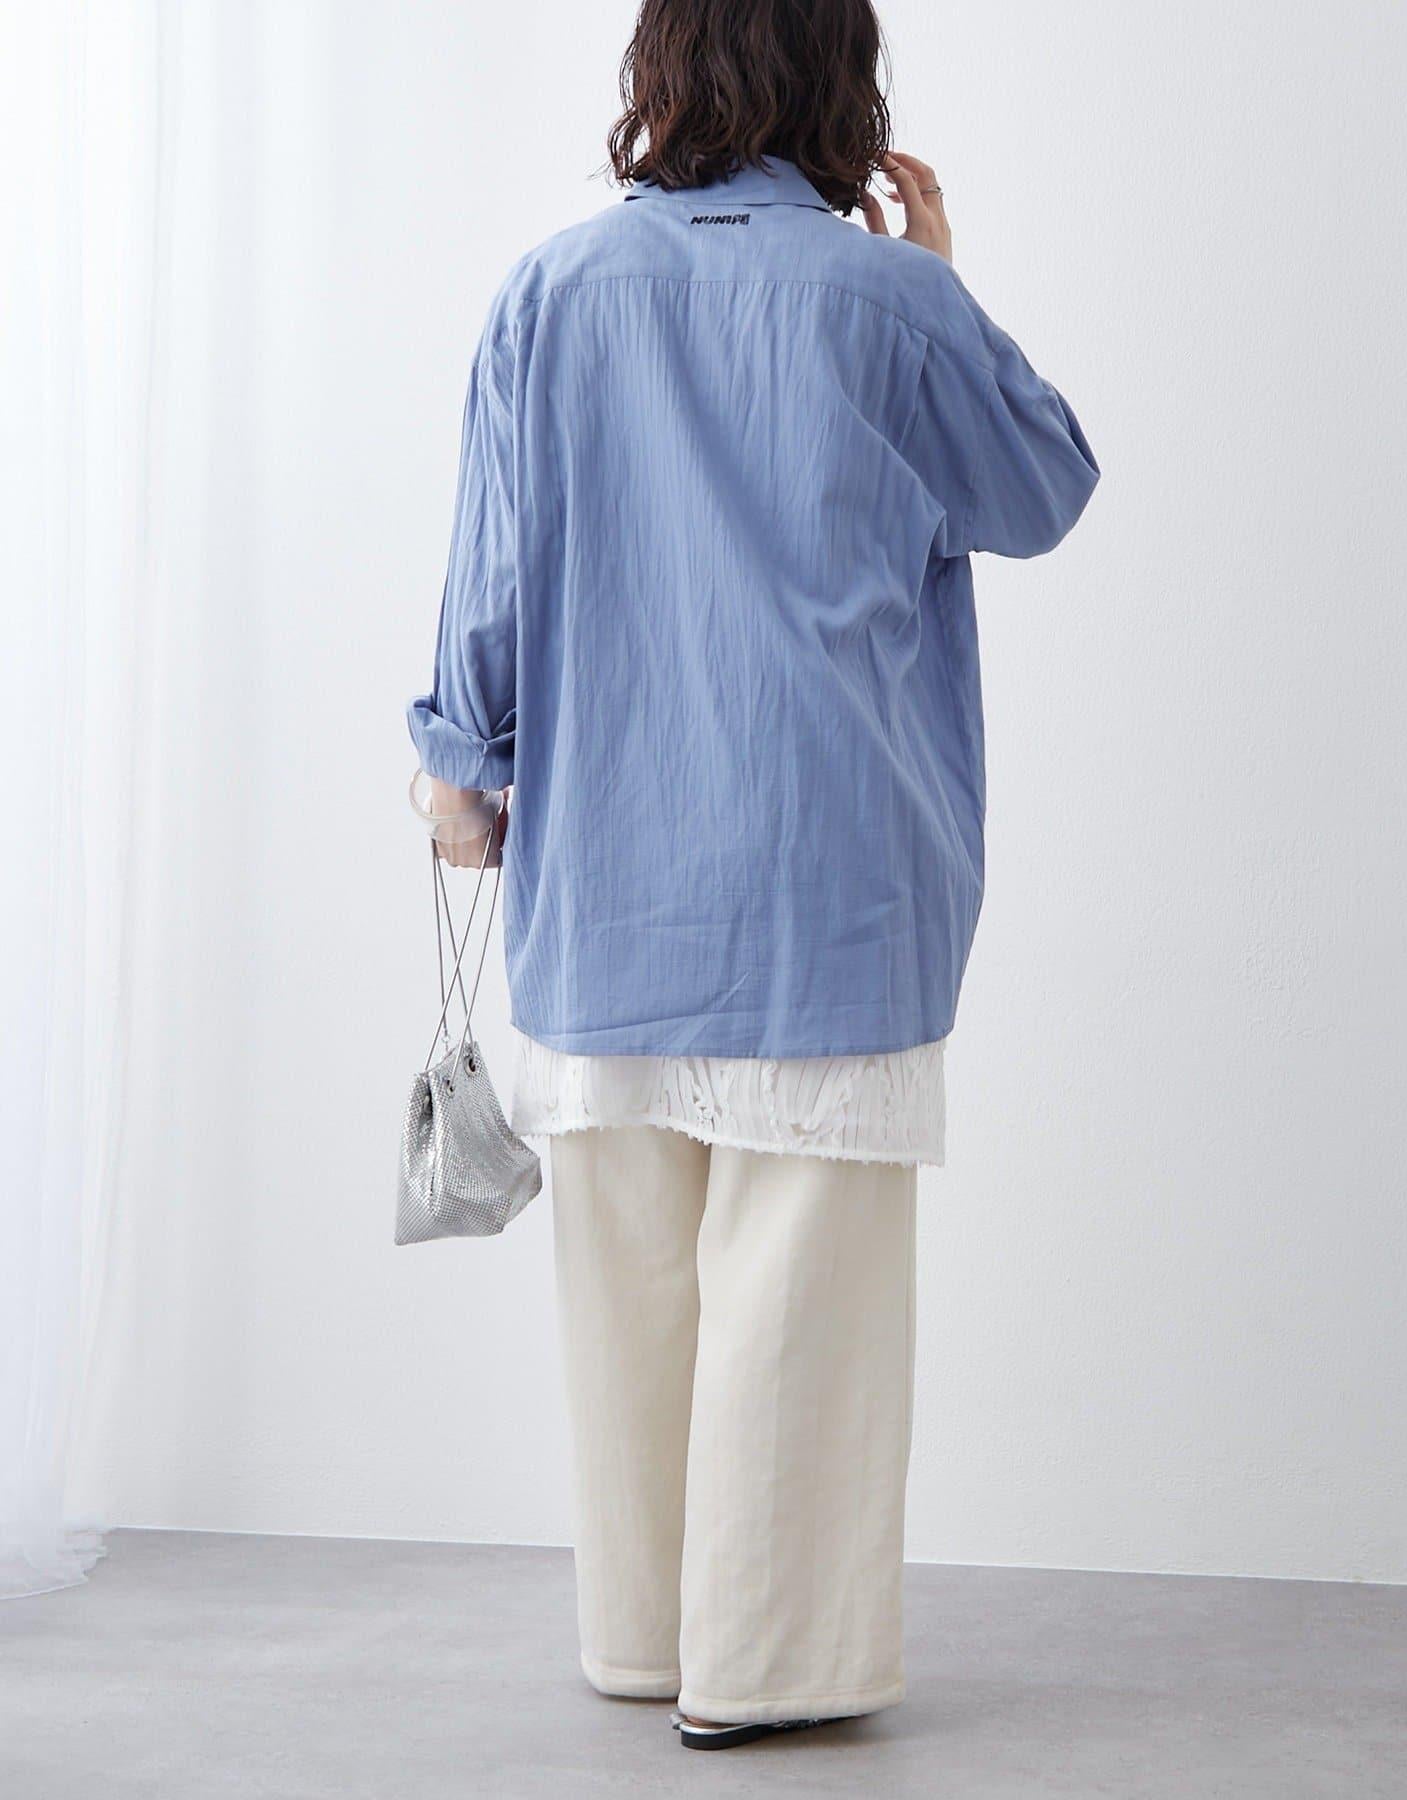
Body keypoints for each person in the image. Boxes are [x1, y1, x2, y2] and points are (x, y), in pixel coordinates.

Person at [407, 0, 1097, 1753]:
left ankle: (646, 1637)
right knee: (801, 1301)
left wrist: (461, 765)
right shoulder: (889, 303)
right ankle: (766, 1666)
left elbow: (492, 566)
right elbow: (1041, 492)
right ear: (839, 84)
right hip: (832, 885)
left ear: (663, 75)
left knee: (628, 1291)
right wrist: (944, 281)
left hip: (610, 874)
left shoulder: (555, 290)